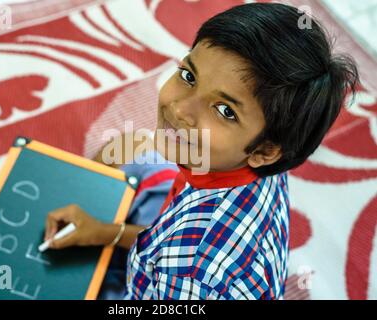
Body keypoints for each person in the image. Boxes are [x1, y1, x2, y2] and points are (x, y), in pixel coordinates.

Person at [43, 3, 359, 299]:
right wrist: (103, 233)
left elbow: (186, 261)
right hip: (175, 240)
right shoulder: (258, 164)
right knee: (128, 147)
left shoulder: (192, 274)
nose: (180, 110)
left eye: (224, 110)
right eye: (189, 76)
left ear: (265, 151)